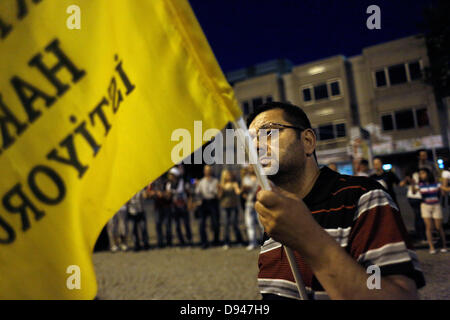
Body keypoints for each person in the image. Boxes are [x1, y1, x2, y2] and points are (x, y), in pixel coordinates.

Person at [247, 101, 424, 300]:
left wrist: (308, 238)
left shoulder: (363, 197)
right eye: (250, 140)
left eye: (269, 131)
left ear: (307, 141)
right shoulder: (276, 217)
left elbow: (401, 295)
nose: (256, 145)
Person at [415, 168, 447, 254]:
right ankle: (431, 247)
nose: (421, 175)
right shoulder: (419, 185)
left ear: (428, 174)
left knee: (439, 227)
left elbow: (444, 190)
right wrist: (412, 183)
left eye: (423, 173)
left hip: (436, 205)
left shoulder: (436, 184)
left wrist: (444, 187)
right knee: (429, 227)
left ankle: (444, 246)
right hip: (425, 205)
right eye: (420, 174)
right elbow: (414, 191)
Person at [166, 167, 193, 247]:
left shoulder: (183, 183)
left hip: (183, 206)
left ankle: (189, 239)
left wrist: (189, 204)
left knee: (186, 224)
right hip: (174, 208)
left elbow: (189, 194)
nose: (170, 177)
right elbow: (168, 196)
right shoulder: (169, 184)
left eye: (172, 175)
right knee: (177, 226)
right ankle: (181, 241)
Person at [195, 165, 220, 248]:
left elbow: (217, 193)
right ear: (204, 171)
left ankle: (216, 240)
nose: (208, 171)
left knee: (215, 223)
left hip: (213, 202)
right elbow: (197, 193)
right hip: (204, 202)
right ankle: (204, 242)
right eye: (206, 170)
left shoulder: (215, 181)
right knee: (201, 223)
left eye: (209, 170)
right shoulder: (201, 181)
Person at [218, 169, 244, 249]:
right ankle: (226, 242)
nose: (228, 176)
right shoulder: (222, 185)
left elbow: (238, 192)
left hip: (233, 206)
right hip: (224, 206)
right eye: (227, 175)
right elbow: (219, 196)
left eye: (229, 175)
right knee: (225, 224)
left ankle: (239, 240)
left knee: (234, 223)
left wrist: (243, 188)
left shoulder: (234, 184)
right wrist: (221, 190)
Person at [399, 166, 426, 242]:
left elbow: (402, 184)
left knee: (418, 217)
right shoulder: (415, 175)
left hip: (411, 197)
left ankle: (420, 235)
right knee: (420, 217)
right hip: (417, 197)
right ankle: (422, 235)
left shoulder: (409, 176)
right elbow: (414, 188)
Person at [241, 166, 264, 250]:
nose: (251, 168)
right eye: (250, 167)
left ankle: (264, 242)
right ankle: (252, 242)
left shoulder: (261, 177)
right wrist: (244, 192)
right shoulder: (245, 178)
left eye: (252, 167)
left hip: (259, 202)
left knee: (261, 224)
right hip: (249, 203)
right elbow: (243, 192)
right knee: (249, 223)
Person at [147, 175, 171, 248]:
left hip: (166, 206)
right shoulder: (152, 183)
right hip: (157, 206)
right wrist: (156, 193)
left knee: (167, 224)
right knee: (158, 225)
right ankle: (160, 242)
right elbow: (148, 193)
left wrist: (162, 194)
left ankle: (168, 242)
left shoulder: (166, 182)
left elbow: (169, 194)